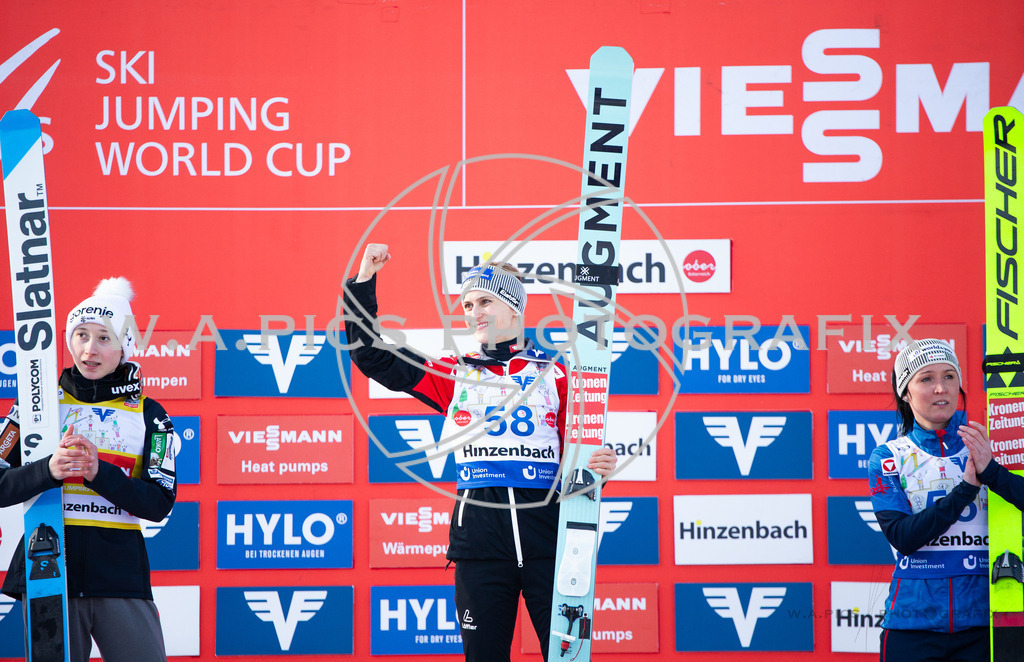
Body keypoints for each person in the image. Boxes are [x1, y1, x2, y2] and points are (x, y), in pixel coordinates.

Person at [344, 243, 617, 662]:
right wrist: (364, 281)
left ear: (514, 306)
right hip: (480, 547)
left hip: (550, 542)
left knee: (567, 657)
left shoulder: (558, 374)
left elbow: (578, 458)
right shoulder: (454, 374)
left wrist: (597, 465)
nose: (474, 313)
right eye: (468, 305)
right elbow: (372, 357)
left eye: (485, 301)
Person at [0, 277, 177, 662]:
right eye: (81, 335)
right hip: (47, 573)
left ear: (125, 346)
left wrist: (99, 472)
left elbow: (159, 502)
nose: (89, 349)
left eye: (104, 338)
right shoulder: (36, 406)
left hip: (120, 577)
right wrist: (48, 470)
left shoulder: (150, 414)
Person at [868, 338, 1024, 661]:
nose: (941, 388)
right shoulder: (889, 457)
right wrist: (965, 491)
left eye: (949, 376)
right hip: (912, 625)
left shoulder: (988, 445)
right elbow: (903, 537)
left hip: (985, 624)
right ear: (905, 392)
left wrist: (992, 473)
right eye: (926, 379)